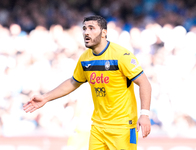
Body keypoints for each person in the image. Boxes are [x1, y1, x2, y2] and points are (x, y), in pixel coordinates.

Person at [23, 15, 152, 150]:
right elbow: (73, 82)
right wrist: (45, 97)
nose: (86, 32)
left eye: (91, 28)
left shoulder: (121, 56)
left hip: (122, 127)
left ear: (104, 33)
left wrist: (144, 115)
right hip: (98, 127)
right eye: (84, 29)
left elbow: (144, 83)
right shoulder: (85, 58)